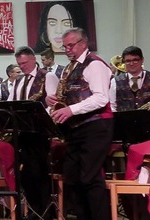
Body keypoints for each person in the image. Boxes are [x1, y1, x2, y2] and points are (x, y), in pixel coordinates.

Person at [47, 28, 112, 220]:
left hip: (96, 127)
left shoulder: (95, 65)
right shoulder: (70, 68)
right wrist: (56, 101)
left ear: (83, 44)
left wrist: (70, 110)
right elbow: (76, 96)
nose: (67, 49)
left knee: (90, 178)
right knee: (72, 178)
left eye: (70, 45)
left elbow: (101, 98)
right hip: (77, 128)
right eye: (64, 46)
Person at [8, 46, 54, 219]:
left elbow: (52, 103)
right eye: (20, 64)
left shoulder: (47, 76)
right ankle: (34, 210)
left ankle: (45, 212)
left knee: (39, 172)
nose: (23, 66)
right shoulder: (19, 80)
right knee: (26, 174)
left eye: (25, 63)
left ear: (34, 60)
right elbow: (12, 103)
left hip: (40, 132)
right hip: (23, 132)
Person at [109, 46, 149, 112]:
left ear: (142, 60)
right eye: (128, 61)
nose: (131, 64)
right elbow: (112, 106)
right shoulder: (115, 81)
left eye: (135, 60)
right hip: (124, 121)